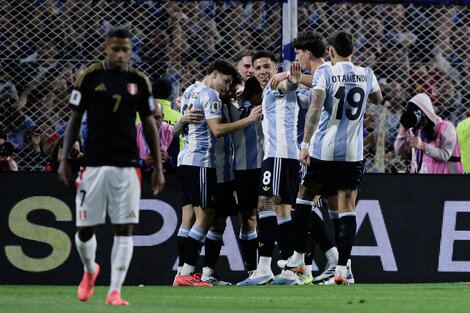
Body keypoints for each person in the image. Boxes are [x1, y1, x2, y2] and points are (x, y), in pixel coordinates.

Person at [58, 27, 165, 306]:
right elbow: (74, 118)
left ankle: (114, 291)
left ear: (131, 51)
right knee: (85, 230)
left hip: (128, 165)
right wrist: (64, 158)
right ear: (106, 47)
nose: (120, 54)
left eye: (125, 49)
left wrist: (159, 168)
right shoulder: (90, 77)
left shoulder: (139, 81)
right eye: (115, 48)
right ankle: (91, 269)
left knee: (125, 228)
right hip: (93, 164)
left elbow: (150, 124)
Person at [285, 30, 382, 285]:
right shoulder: (366, 74)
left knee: (304, 199)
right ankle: (342, 269)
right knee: (347, 207)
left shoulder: (326, 73)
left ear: (330, 52)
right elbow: (378, 98)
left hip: (324, 151)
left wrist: (305, 144)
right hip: (353, 153)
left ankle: (297, 257)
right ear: (353, 51)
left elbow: (315, 107)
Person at [173, 59, 261, 287]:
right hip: (203, 163)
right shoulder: (209, 95)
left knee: (210, 220)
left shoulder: (190, 91)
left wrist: (181, 119)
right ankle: (186, 273)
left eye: (232, 84)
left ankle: (198, 274)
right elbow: (218, 130)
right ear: (215, 74)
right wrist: (248, 119)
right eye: (226, 81)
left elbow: (177, 131)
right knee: (204, 218)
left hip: (202, 165)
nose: (227, 87)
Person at [237, 51, 302, 286]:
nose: (263, 71)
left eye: (267, 66)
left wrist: (293, 81)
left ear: (275, 68)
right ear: (252, 72)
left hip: (276, 158)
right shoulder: (266, 92)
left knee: (265, 206)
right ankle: (289, 270)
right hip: (290, 158)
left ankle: (263, 268)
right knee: (283, 213)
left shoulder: (276, 86)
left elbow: (288, 86)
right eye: (258, 67)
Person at [394, 93, 463, 174]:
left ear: (427, 113)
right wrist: (403, 132)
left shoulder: (446, 127)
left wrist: (423, 146)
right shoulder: (415, 130)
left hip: (445, 179)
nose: (418, 124)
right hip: (421, 180)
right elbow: (399, 151)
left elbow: (445, 155)